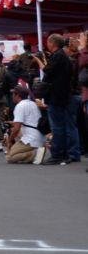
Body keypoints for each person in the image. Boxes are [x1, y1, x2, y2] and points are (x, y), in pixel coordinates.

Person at [36, 34, 78, 165]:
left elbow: (47, 70)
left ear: (52, 43)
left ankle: (58, 154)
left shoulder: (58, 55)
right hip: (65, 95)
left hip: (56, 96)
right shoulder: (64, 56)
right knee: (68, 126)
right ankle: (69, 153)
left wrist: (38, 60)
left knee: (57, 127)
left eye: (48, 42)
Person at [4, 85, 44, 164]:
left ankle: (35, 154)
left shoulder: (20, 106)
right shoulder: (32, 103)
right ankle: (36, 151)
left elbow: (16, 129)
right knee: (12, 152)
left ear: (18, 95)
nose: (12, 96)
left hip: (30, 139)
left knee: (10, 157)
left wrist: (9, 140)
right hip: (39, 136)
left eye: (13, 94)